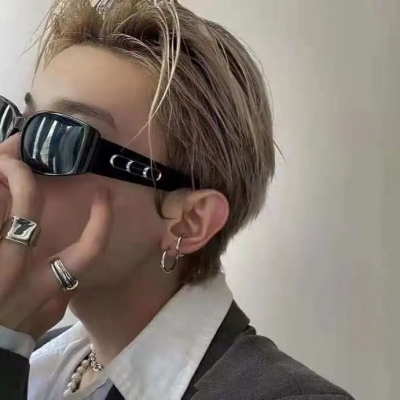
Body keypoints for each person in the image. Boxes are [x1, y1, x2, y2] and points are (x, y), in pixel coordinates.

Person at [0, 1, 354, 399]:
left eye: (59, 138)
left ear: (189, 220)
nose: (7, 157)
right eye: (14, 124)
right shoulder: (32, 350)